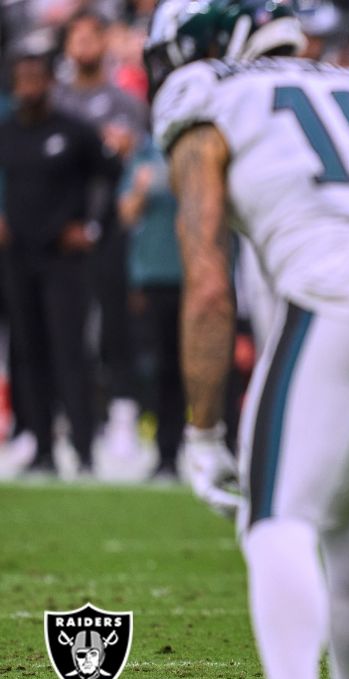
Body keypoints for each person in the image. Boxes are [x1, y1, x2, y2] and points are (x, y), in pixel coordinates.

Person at [145, 1, 349, 679]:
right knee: (345, 520)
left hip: (330, 303)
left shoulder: (208, 95)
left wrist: (200, 433)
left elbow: (205, 284)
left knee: (274, 522)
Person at [0, 51, 111, 475]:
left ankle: (83, 450)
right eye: (21, 78)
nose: (27, 85)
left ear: (50, 82)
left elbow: (110, 172)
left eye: (35, 77)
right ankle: (41, 446)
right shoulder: (7, 132)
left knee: (70, 351)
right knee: (28, 353)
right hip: (18, 256)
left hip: (64, 259)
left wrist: (92, 226)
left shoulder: (76, 132)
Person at [54, 10, 150, 461]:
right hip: (63, 229)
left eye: (93, 36)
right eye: (78, 38)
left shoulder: (125, 101)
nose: (85, 46)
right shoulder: (55, 101)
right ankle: (64, 420)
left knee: (116, 324)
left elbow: (139, 161)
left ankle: (123, 416)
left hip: (112, 225)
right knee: (65, 328)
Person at [118, 133, 183, 478]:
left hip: (198, 274)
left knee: (204, 369)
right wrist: (143, 189)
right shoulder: (145, 153)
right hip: (154, 274)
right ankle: (165, 453)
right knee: (160, 367)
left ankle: (220, 448)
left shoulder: (204, 144)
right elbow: (126, 213)